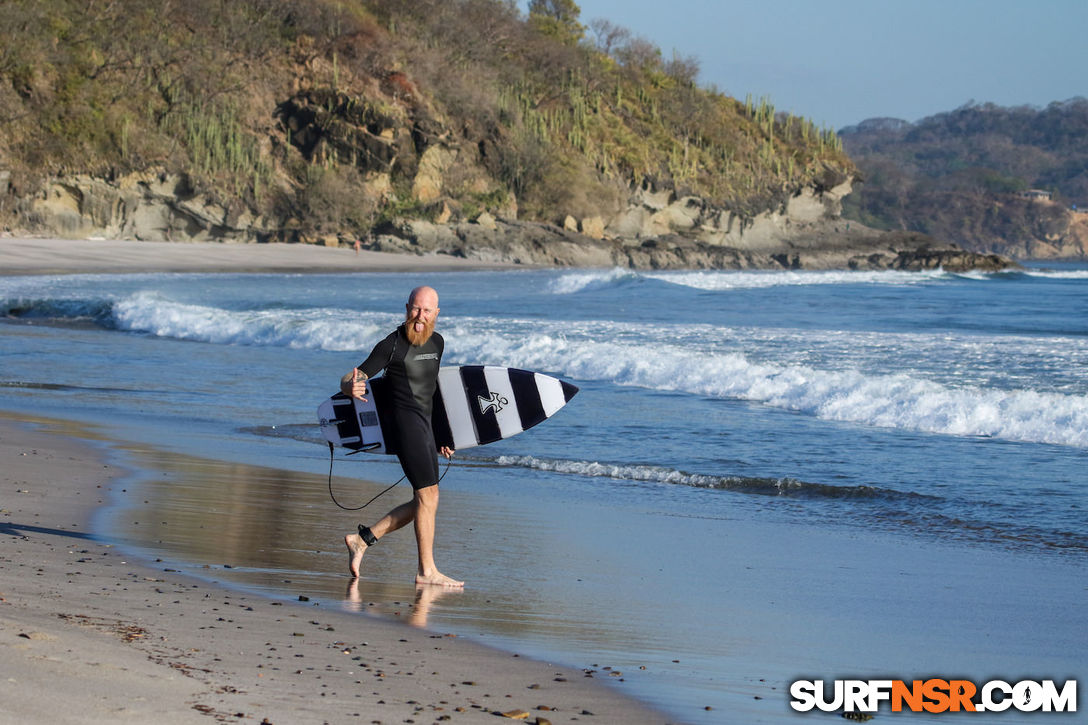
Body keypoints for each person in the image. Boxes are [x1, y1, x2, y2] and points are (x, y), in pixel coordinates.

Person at [340, 286, 463, 588]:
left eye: (427, 310)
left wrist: (443, 434)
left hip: (425, 427)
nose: (420, 316)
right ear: (407, 307)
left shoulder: (438, 342)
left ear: (437, 313)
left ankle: (363, 539)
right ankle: (426, 571)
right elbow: (357, 374)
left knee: (426, 500)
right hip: (405, 428)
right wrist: (348, 386)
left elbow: (432, 392)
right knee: (427, 496)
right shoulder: (391, 345)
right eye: (415, 309)